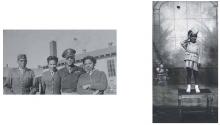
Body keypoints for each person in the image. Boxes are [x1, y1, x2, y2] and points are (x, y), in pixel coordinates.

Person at [181, 28, 201, 93]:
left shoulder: (198, 44)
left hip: (195, 60)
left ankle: (196, 87)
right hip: (188, 59)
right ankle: (188, 87)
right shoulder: (187, 44)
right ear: (190, 37)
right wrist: (187, 38)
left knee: (196, 74)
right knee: (189, 74)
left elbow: (199, 54)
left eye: (195, 37)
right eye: (192, 36)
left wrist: (199, 61)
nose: (194, 38)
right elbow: (181, 43)